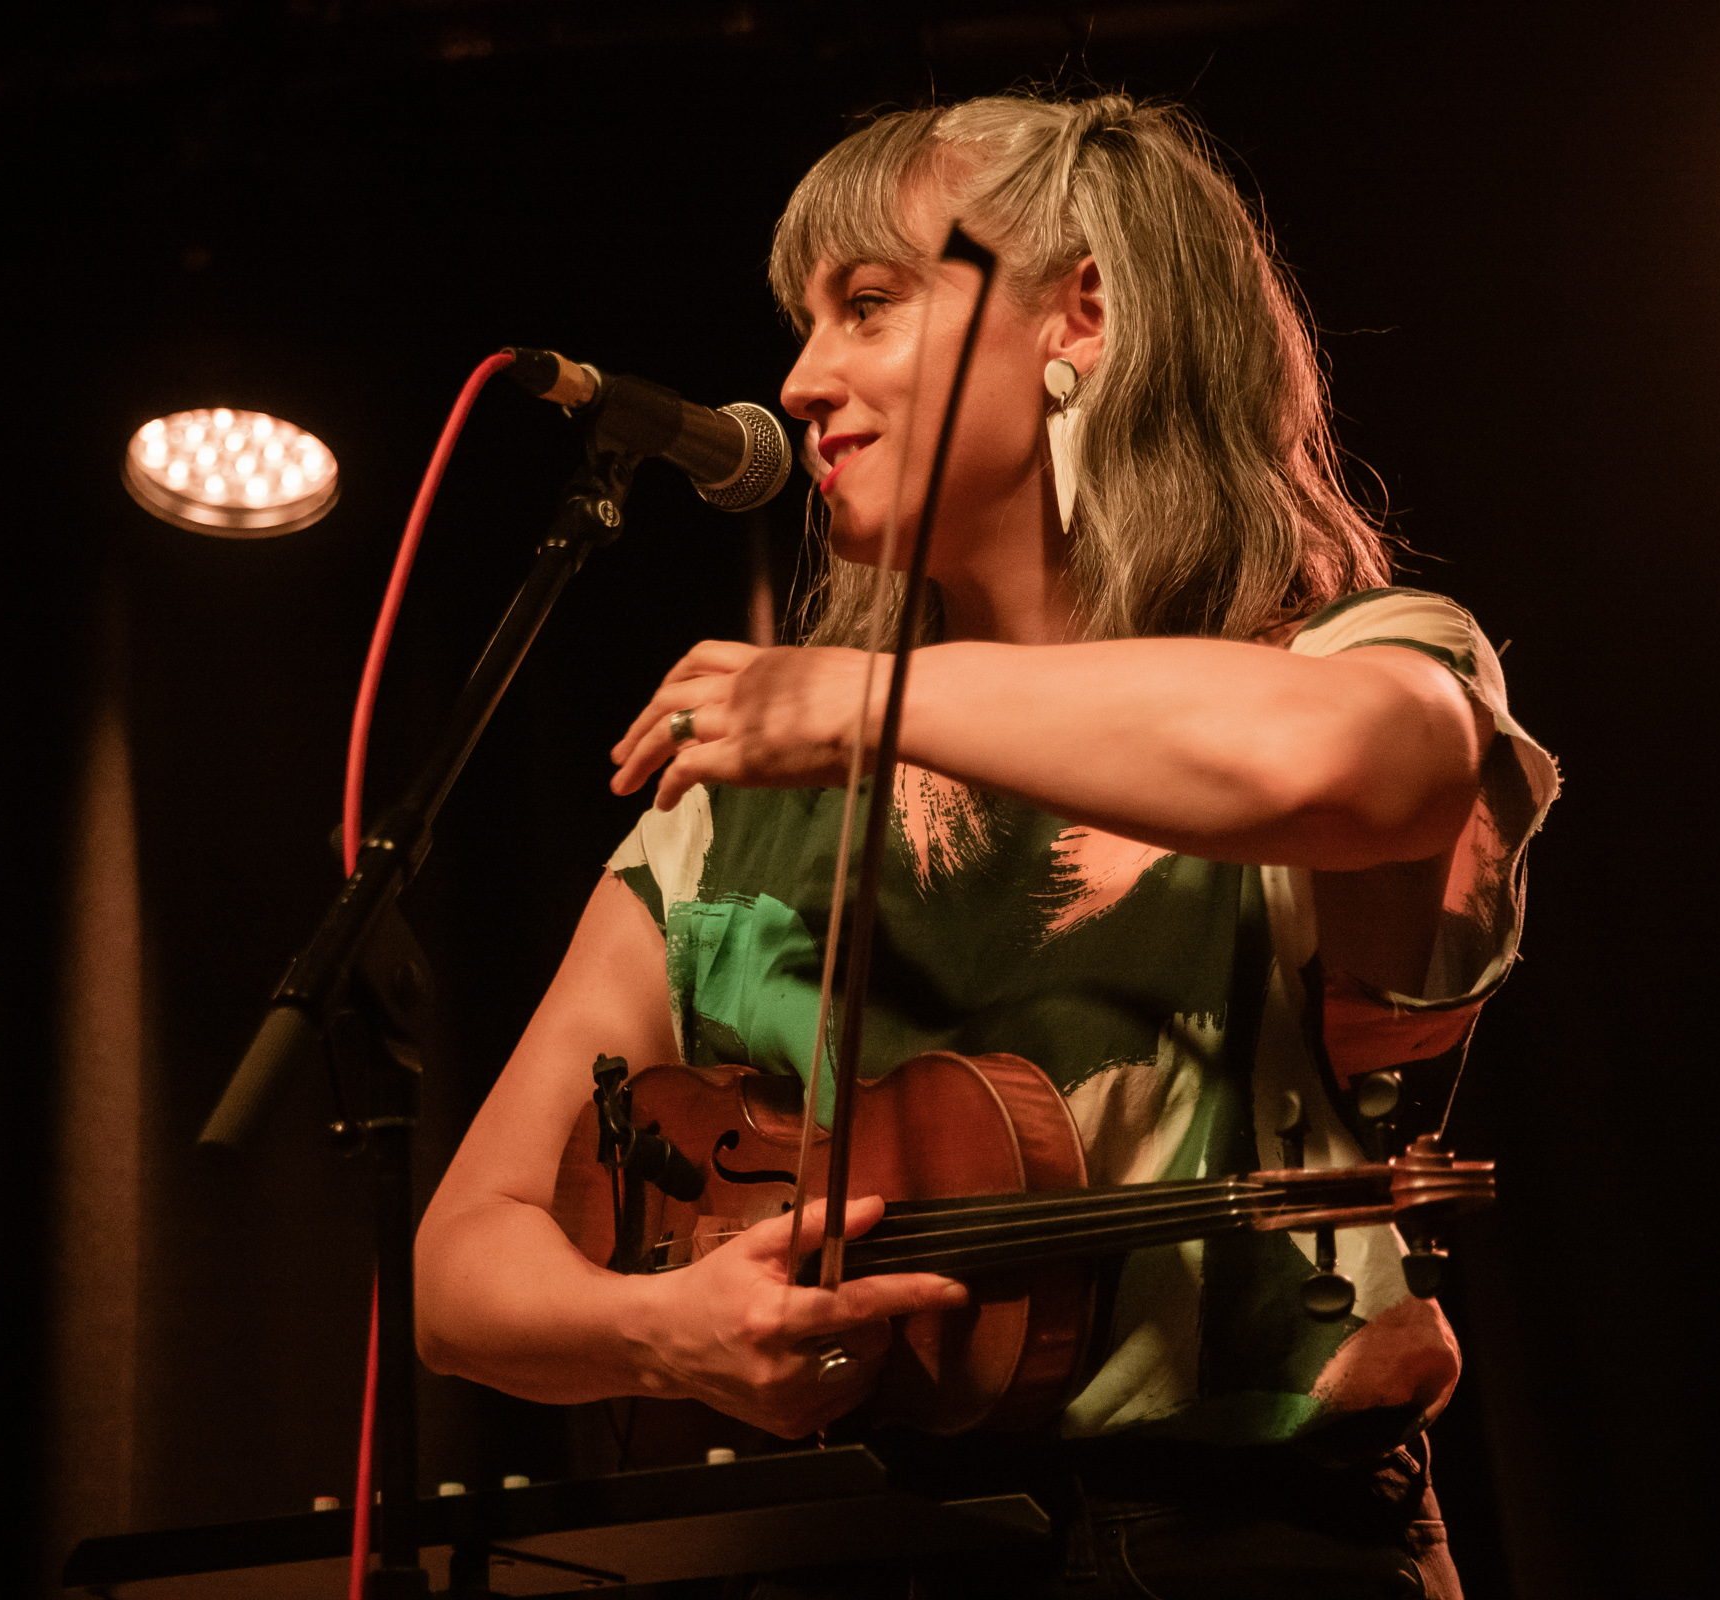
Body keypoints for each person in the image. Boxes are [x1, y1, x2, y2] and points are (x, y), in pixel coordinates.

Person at [413, 92, 1558, 1599]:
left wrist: (872, 693)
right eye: (803, 323)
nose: (803, 380)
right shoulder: (749, 797)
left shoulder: (1353, 658)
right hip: (842, 1554)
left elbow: (1349, 764)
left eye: (869, 305)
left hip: (1253, 1547)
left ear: (1078, 313)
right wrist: (663, 1333)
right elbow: (463, 1261)